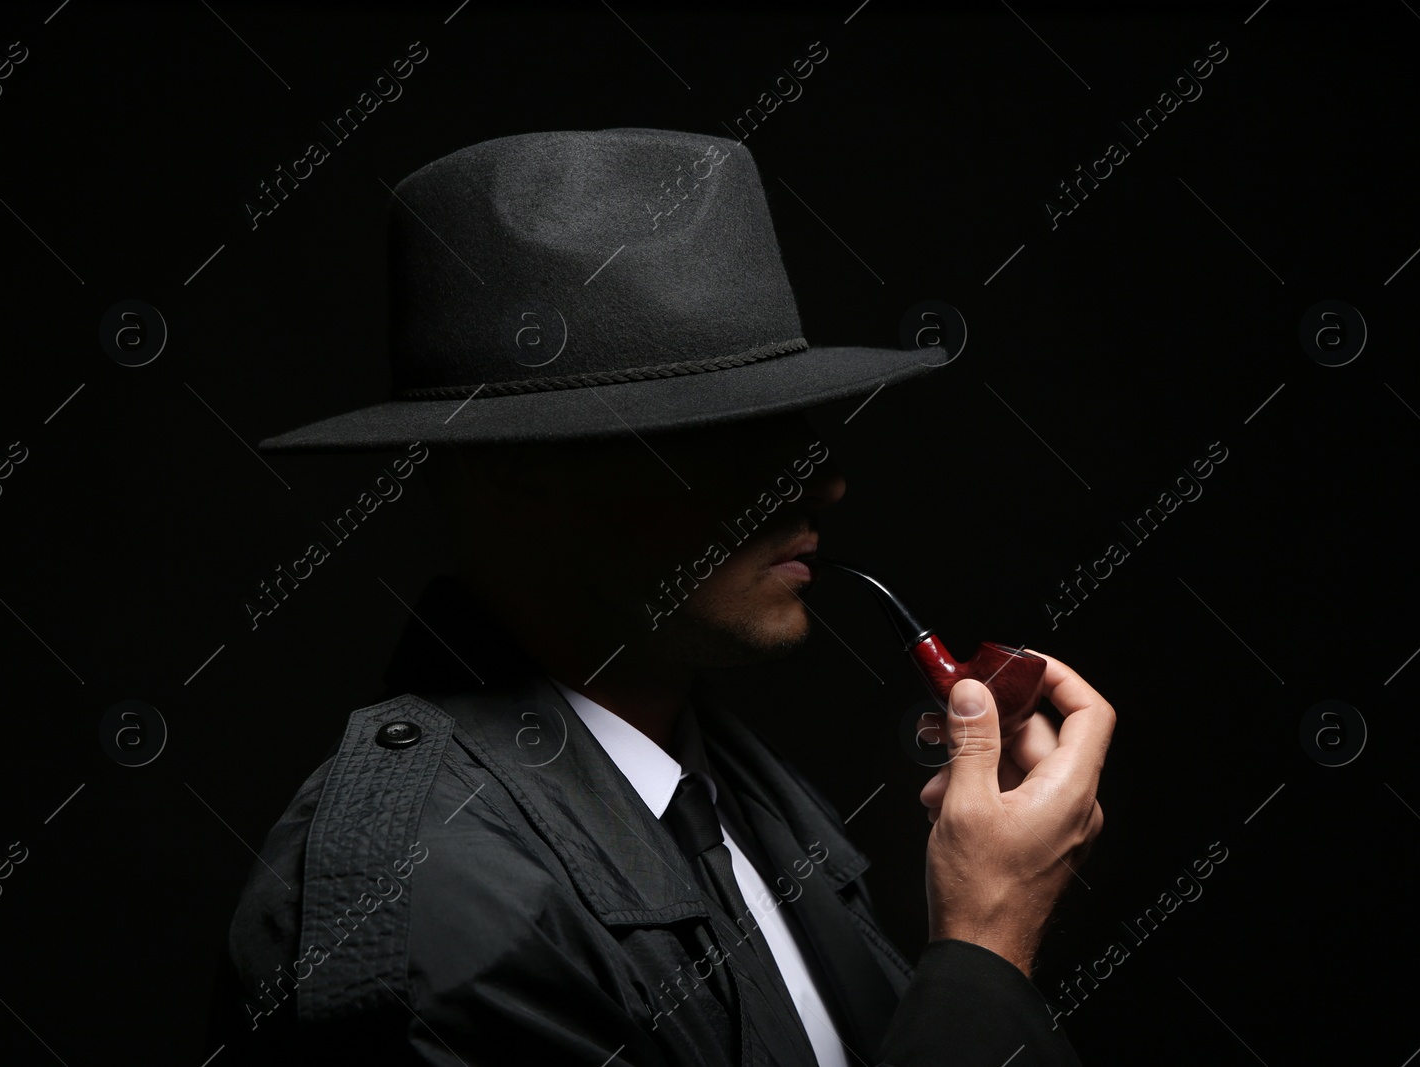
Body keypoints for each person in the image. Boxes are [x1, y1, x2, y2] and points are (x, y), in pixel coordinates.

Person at [206, 127, 1115, 1066]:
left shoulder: (719, 781)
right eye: (728, 430)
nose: (822, 480)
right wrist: (984, 944)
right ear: (515, 474)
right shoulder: (432, 908)